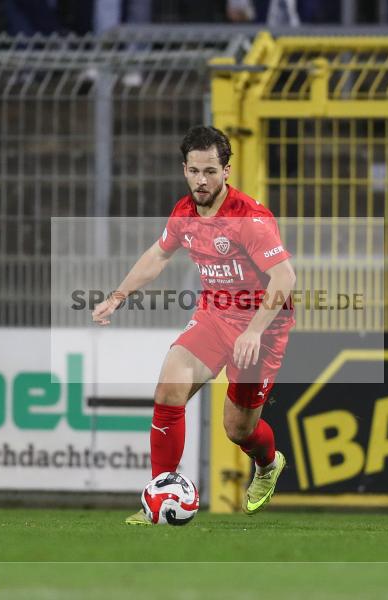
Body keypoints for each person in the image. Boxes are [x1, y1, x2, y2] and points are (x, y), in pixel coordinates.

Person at [92, 126, 297, 525]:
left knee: (238, 430)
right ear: (184, 169)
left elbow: (285, 278)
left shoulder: (249, 219)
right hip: (215, 315)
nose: (201, 180)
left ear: (227, 171)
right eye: (194, 171)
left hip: (263, 328)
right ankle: (158, 500)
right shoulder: (184, 212)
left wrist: (254, 330)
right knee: (169, 388)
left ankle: (268, 463)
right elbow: (158, 254)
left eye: (210, 172)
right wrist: (117, 296)